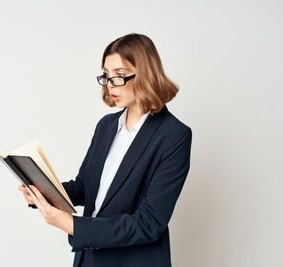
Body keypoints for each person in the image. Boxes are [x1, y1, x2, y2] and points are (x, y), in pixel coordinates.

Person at [18, 33, 192, 267]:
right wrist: (42, 191)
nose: (111, 84)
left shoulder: (173, 135)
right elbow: (85, 188)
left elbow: (148, 224)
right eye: (107, 75)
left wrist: (71, 225)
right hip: (89, 258)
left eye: (119, 75)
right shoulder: (107, 126)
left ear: (146, 74)